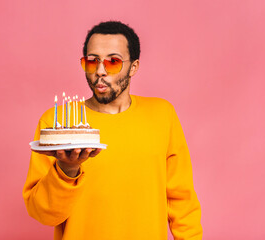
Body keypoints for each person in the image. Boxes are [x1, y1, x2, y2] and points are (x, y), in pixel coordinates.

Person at [23, 21, 203, 240]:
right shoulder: (58, 122)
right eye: (92, 61)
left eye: (113, 62)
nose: (100, 71)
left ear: (134, 67)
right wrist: (67, 169)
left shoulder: (162, 115)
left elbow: (182, 200)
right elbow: (42, 214)